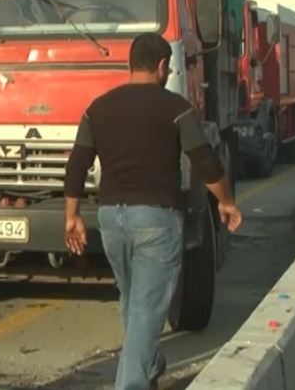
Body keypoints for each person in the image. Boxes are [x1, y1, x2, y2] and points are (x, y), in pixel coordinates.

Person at [63, 32, 241, 390]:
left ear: (130, 64)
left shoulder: (97, 108)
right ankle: (132, 383)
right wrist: (225, 200)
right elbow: (204, 160)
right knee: (146, 308)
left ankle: (151, 364)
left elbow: (77, 163)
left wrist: (72, 216)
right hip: (156, 220)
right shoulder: (176, 108)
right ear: (162, 66)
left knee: (134, 301)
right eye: (168, 66)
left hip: (112, 219)